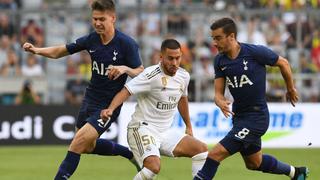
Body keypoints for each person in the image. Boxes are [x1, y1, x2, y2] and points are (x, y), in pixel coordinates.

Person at [22, 0, 144, 179]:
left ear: (113, 18)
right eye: (95, 19)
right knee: (87, 146)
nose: (97, 23)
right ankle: (129, 153)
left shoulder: (126, 44)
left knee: (77, 143)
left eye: (102, 19)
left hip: (108, 105)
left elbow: (140, 72)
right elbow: (60, 51)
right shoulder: (91, 39)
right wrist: (36, 50)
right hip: (89, 100)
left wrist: (125, 69)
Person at [194, 17, 309, 180]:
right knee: (254, 163)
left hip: (257, 118)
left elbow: (283, 63)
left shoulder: (254, 52)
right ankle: (296, 173)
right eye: (213, 38)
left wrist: (290, 88)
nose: (214, 43)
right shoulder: (220, 60)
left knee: (215, 153)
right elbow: (218, 93)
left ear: (231, 36)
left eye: (218, 38)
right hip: (239, 117)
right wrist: (219, 101)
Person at [100, 39, 208, 179]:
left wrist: (188, 125)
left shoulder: (184, 76)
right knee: (153, 167)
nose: (174, 63)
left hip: (164, 132)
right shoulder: (150, 75)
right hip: (141, 128)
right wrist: (110, 109)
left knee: (201, 150)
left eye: (177, 58)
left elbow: (182, 98)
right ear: (161, 57)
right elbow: (126, 90)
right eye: (170, 58)